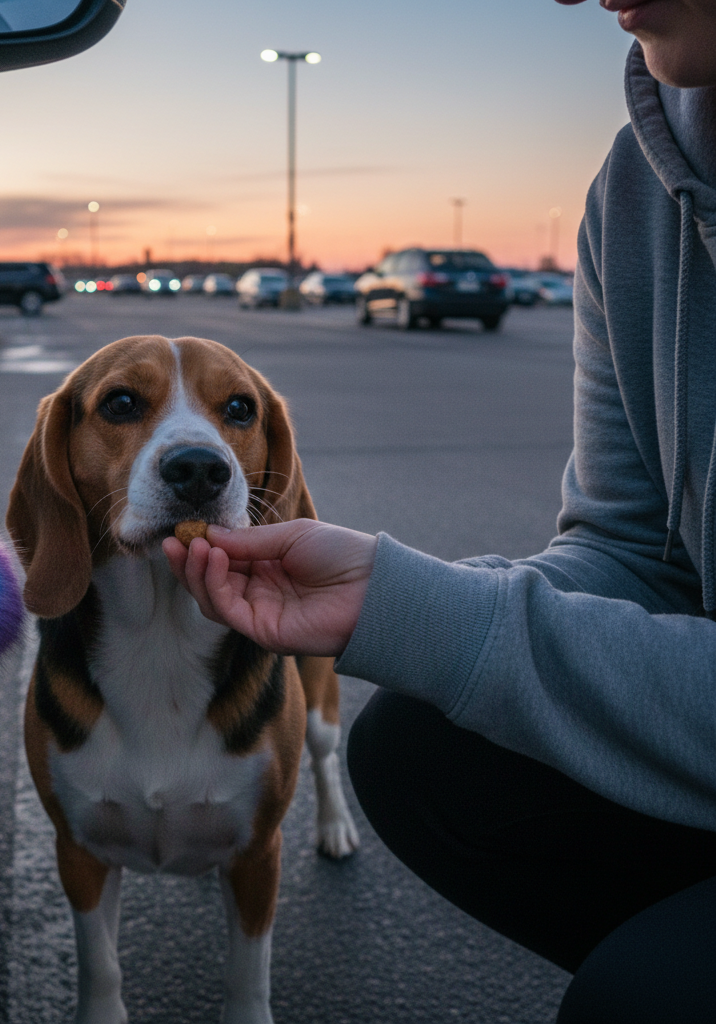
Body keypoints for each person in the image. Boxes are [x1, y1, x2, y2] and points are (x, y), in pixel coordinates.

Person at [163, 1, 716, 1020]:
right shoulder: (635, 184)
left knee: (638, 996)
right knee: (420, 750)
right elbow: (631, 547)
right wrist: (397, 594)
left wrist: (451, 623)